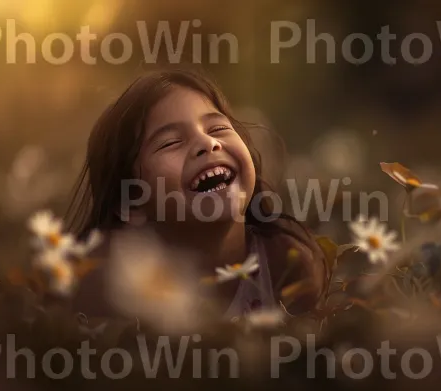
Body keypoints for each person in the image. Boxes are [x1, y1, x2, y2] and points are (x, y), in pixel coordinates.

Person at [65, 68, 328, 320]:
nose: (207, 143)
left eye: (217, 128)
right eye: (170, 142)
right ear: (129, 201)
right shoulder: (115, 294)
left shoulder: (285, 264)